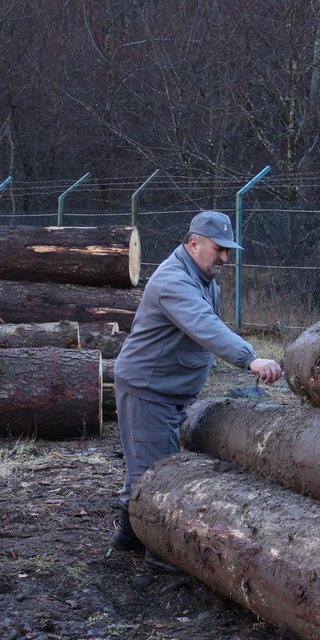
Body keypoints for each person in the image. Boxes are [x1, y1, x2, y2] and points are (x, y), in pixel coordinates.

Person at [110, 211, 283, 555]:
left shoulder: (204, 280)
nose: (225, 258)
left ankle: (127, 542)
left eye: (228, 251)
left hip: (170, 389)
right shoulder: (174, 281)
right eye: (219, 249)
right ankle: (162, 559)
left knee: (149, 470)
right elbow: (205, 326)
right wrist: (250, 358)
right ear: (193, 244)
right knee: (156, 478)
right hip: (149, 391)